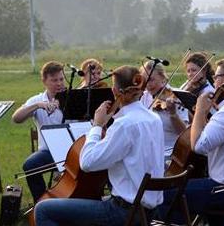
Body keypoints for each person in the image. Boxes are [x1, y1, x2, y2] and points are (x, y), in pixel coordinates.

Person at [35, 65, 164, 225]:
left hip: (124, 212)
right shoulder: (154, 119)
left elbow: (87, 163)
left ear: (115, 91)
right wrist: (105, 134)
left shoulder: (124, 125)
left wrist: (96, 126)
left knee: (43, 210)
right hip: (149, 210)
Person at [159, 56, 224, 224]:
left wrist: (200, 111)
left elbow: (198, 146)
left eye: (217, 77)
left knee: (163, 195)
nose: (214, 82)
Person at [12, 61, 66, 203]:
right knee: (30, 165)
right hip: (48, 151)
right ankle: (42, 203)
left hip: (74, 150)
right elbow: (16, 118)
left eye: (61, 79)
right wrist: (37, 106)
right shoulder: (37, 100)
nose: (59, 83)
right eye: (54, 80)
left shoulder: (73, 96)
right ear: (44, 81)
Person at [139, 61, 188, 163]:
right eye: (145, 80)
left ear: (163, 77)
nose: (148, 85)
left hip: (170, 154)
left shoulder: (176, 96)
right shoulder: (144, 96)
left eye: (151, 80)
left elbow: (184, 134)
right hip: (149, 152)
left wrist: (173, 114)